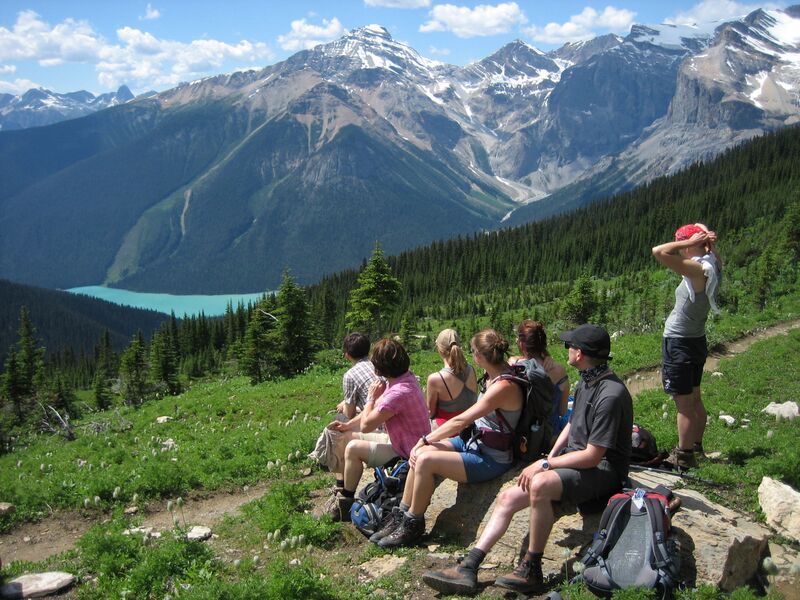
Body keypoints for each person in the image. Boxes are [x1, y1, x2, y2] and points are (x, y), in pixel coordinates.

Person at [423, 324, 633, 596]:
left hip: (604, 471)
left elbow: (594, 456)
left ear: (580, 353)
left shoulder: (610, 394)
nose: (566, 349)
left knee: (540, 484)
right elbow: (572, 426)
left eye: (570, 345)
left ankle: (532, 569)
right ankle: (470, 565)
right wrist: (553, 455)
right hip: (576, 460)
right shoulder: (587, 381)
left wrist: (546, 464)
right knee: (508, 498)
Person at [371, 329, 524, 548]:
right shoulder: (496, 374)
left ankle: (414, 522)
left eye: (473, 351)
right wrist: (424, 443)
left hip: (492, 456)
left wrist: (424, 439)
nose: (471, 356)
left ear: (480, 356)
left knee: (425, 458)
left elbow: (460, 421)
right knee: (421, 453)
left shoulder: (503, 387)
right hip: (473, 441)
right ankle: (401, 514)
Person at [326, 338, 430, 521]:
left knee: (353, 448)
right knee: (346, 437)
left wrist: (371, 399)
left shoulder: (398, 393)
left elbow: (367, 425)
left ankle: (346, 503)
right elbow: (375, 413)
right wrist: (347, 426)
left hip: (406, 451)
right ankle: (342, 490)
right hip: (404, 442)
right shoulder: (404, 379)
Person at [652, 223, 722, 470]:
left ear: (691, 246)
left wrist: (686, 243)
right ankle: (697, 447)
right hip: (696, 339)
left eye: (683, 245)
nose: (681, 250)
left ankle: (683, 457)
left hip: (679, 341)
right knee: (694, 397)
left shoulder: (696, 270)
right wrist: (702, 237)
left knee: (683, 405)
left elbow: (659, 251)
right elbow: (702, 241)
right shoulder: (712, 262)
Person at [510, 320, 570, 446]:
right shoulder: (558, 370)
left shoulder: (513, 366)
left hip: (522, 436)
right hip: (549, 434)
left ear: (522, 344)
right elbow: (562, 411)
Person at [427, 328, 478, 427]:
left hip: (448, 431)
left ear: (440, 350)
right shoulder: (471, 369)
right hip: (472, 426)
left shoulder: (435, 379)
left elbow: (431, 413)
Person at [337, 333, 377, 419]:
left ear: (347, 355)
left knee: (339, 419)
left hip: (378, 423)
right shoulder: (379, 364)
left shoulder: (350, 375)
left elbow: (349, 414)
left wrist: (344, 406)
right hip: (392, 412)